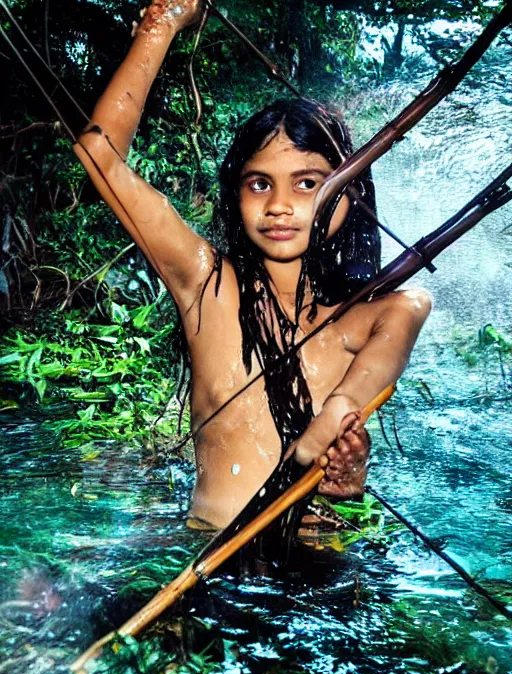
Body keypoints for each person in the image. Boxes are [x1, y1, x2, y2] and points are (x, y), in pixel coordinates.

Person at [73, 0, 432, 532]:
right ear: (236, 196)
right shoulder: (206, 286)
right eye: (259, 184)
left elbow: (410, 310)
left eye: (308, 183)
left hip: (319, 563)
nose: (280, 205)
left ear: (349, 195)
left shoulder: (369, 320)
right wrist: (164, 22)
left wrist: (345, 457)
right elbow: (99, 157)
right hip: (210, 563)